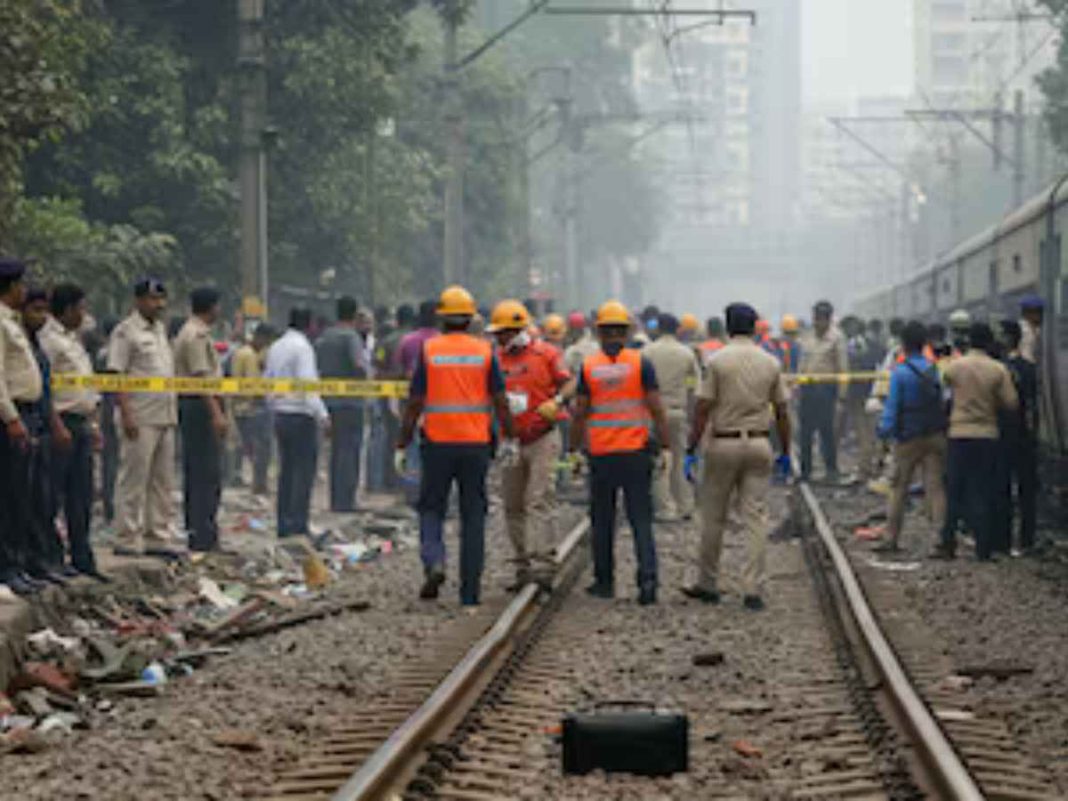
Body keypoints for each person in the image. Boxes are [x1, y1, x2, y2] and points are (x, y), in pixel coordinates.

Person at [396, 286, 514, 606]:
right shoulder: (485, 351)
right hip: (475, 445)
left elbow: (415, 401)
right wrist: (510, 436)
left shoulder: (430, 350)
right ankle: (470, 591)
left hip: (437, 443)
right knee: (473, 514)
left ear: (442, 318)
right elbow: (500, 400)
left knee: (431, 507)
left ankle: (434, 561)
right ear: (471, 318)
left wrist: (403, 440)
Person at [682, 303, 791, 611]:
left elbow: (702, 408)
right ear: (755, 327)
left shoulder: (717, 362)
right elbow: (782, 412)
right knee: (755, 518)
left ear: (728, 327)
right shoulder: (770, 362)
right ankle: (753, 588)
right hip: (759, 444)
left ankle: (708, 583)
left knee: (713, 516)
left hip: (723, 444)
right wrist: (786, 451)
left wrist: (691, 448)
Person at [569, 300, 671, 606]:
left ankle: (604, 582)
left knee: (602, 521)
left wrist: (573, 450)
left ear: (599, 333)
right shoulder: (641, 364)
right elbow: (657, 409)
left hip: (602, 454)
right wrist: (666, 447)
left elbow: (580, 413)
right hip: (635, 453)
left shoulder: (589, 367)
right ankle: (648, 581)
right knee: (641, 519)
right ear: (626, 332)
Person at [489, 300, 575, 587]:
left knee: (540, 498)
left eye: (504, 333)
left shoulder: (547, 353)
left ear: (518, 330)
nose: (500, 338)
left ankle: (544, 564)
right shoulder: (495, 359)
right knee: (512, 503)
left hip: (542, 436)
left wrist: (557, 401)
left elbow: (569, 383)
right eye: (497, 334)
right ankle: (522, 564)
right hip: (510, 440)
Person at [107, 277, 180, 557]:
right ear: (138, 301)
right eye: (152, 299)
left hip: (164, 414)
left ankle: (156, 537)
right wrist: (126, 413)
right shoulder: (126, 332)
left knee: (162, 481)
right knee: (133, 480)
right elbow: (117, 375)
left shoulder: (160, 330)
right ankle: (126, 537)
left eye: (161, 299)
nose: (158, 304)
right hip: (140, 415)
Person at [934, 322, 1019, 561]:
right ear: (989, 342)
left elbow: (943, 394)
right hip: (986, 435)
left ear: (969, 341)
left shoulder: (954, 367)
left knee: (954, 490)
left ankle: (947, 543)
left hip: (958, 434)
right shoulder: (998, 370)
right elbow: (1011, 403)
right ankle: (983, 548)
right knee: (982, 491)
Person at [41, 283, 107, 579]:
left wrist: (93, 424)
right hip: (62, 422)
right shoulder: (50, 340)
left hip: (81, 422)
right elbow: (45, 386)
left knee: (81, 495)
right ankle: (50, 555)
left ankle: (82, 556)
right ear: (67, 310)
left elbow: (85, 385)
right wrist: (55, 424)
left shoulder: (73, 340)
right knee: (53, 493)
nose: (84, 314)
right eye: (81, 308)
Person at [875, 321, 947, 553]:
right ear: (924, 343)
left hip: (908, 438)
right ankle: (941, 539)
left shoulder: (901, 372)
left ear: (903, 344)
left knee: (899, 488)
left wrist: (884, 432)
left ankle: (891, 539)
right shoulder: (935, 369)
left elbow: (892, 407)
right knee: (935, 488)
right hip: (935, 435)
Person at [265, 307, 330, 537]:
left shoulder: (276, 346)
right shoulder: (303, 348)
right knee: (303, 473)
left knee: (287, 471)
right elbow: (307, 384)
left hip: (281, 414)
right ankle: (298, 524)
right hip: (301, 415)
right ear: (309, 324)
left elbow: (267, 380)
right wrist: (322, 415)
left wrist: (273, 405)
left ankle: (284, 524)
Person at [20, 287, 70, 585]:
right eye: (35, 310)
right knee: (24, 499)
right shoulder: (17, 341)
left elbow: (45, 389)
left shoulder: (35, 344)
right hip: (25, 421)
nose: (42, 317)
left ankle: (42, 559)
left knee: (43, 497)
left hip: (40, 423)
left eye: (44, 311)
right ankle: (26, 562)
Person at [173, 287, 228, 552]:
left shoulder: (194, 332)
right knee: (204, 473)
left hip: (197, 404)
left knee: (202, 472)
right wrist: (216, 413)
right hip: (198, 406)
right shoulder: (195, 335)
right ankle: (202, 533)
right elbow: (200, 378)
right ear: (212, 306)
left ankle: (203, 530)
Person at [644, 313, 701, 522]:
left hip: (652, 412)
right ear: (677, 329)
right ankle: (684, 506)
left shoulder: (647, 352)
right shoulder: (686, 354)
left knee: (659, 461)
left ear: (658, 328)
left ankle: (664, 508)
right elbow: (694, 387)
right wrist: (692, 416)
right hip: (678, 412)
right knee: (679, 459)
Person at [316, 296, 370, 512]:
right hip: (351, 403)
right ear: (354, 314)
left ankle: (335, 499)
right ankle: (346, 501)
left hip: (329, 401)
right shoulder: (351, 337)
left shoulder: (324, 337)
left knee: (336, 451)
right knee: (350, 451)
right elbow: (358, 364)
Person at [996, 320, 1038, 553]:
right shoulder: (1029, 368)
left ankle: (1003, 539)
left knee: (1001, 487)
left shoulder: (998, 368)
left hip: (1002, 433)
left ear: (1008, 337)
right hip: (1024, 435)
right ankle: (1027, 539)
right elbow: (1032, 405)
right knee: (1026, 490)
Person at [797, 300, 848, 482]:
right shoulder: (807, 336)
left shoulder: (837, 338)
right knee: (805, 433)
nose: (818, 322)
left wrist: (841, 396)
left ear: (828, 319)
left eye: (821, 318)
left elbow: (843, 368)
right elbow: (802, 363)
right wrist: (798, 386)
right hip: (808, 389)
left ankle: (831, 470)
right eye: (816, 318)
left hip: (826, 390)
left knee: (827, 432)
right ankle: (805, 471)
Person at [231, 324, 275, 495]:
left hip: (244, 407)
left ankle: (250, 480)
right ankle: (257, 484)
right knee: (259, 447)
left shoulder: (246, 353)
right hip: (249, 408)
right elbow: (250, 384)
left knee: (249, 446)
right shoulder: (248, 355)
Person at [840, 316, 878, 480]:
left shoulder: (852, 346)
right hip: (873, 394)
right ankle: (870, 464)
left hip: (858, 394)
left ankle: (865, 468)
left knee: (863, 433)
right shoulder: (874, 344)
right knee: (870, 432)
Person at [1018, 294, 1043, 366]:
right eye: (1034, 312)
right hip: (1024, 364)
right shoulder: (1021, 328)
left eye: (1039, 312)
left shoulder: (1040, 329)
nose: (1038, 315)